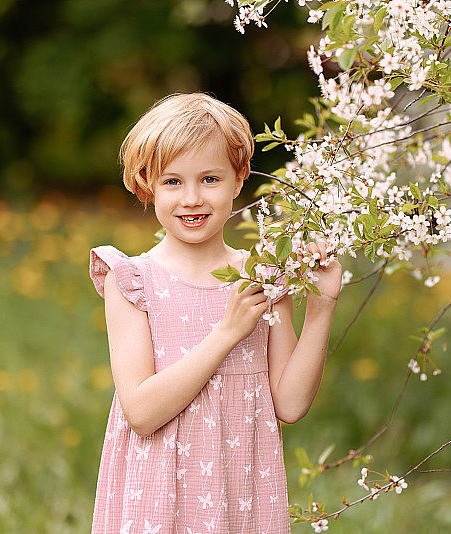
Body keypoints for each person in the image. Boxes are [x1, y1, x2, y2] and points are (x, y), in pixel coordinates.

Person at [88, 93, 341, 533]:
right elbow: (142, 412)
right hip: (158, 500)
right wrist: (227, 332)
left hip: (242, 495)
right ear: (147, 182)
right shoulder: (131, 280)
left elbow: (291, 403)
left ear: (238, 178)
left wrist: (321, 308)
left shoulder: (264, 277)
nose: (191, 198)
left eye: (209, 179)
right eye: (172, 182)